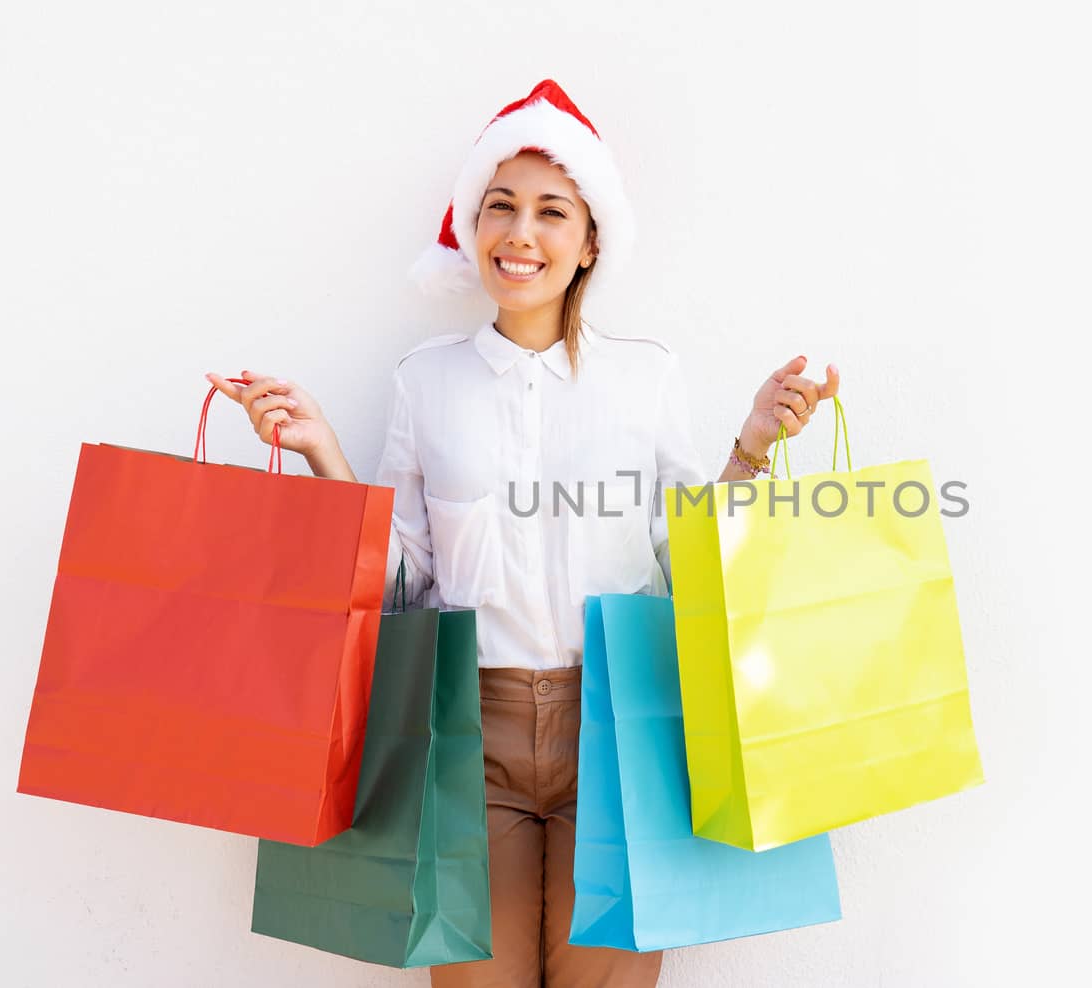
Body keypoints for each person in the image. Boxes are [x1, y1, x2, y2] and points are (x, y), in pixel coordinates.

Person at [207, 80, 841, 987]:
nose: (521, 233)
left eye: (552, 212)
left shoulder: (645, 377)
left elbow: (692, 561)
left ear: (589, 244)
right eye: (500, 207)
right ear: (473, 230)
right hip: (470, 730)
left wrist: (750, 448)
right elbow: (401, 581)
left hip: (618, 727)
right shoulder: (426, 383)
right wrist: (322, 454)